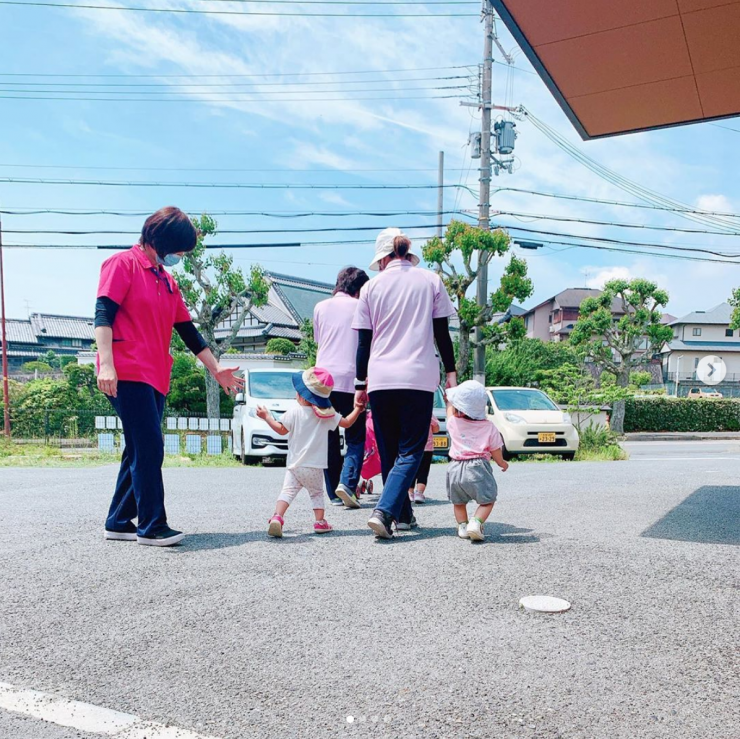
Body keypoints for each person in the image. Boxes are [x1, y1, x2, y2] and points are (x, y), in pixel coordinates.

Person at [95, 207, 245, 547]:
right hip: (125, 369)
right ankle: (151, 525)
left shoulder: (166, 279)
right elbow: (103, 314)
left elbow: (188, 331)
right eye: (178, 250)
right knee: (149, 445)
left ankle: (119, 520)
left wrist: (215, 367)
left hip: (155, 373)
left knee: (139, 445)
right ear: (159, 241)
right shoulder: (123, 264)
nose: (180, 256)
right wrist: (106, 364)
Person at [353, 227, 457, 539]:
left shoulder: (371, 288)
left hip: (381, 379)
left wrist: (360, 385)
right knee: (411, 450)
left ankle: (404, 515)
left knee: (389, 452)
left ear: (383, 259)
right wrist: (451, 374)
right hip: (418, 377)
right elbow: (442, 334)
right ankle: (384, 512)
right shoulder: (430, 281)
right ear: (408, 254)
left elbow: (363, 343)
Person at [258, 368, 364, 537]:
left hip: (295, 465)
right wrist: (358, 409)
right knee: (317, 493)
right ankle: (320, 522)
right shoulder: (326, 414)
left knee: (287, 492)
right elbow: (347, 423)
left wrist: (267, 417)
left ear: (302, 395)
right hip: (315, 466)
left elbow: (281, 430)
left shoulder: (293, 412)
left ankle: (277, 517)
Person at [313, 267, 370, 509]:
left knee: (328, 436)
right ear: (359, 290)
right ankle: (347, 484)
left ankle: (334, 494)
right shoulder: (362, 308)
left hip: (323, 381)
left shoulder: (320, 307)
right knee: (356, 436)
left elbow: (319, 340)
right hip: (353, 380)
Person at [445, 380, 508, 542]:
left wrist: (451, 400)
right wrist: (502, 463)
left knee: (458, 502)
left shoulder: (453, 423)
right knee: (488, 500)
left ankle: (462, 527)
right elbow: (495, 450)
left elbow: (449, 412)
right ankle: (476, 522)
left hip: (455, 468)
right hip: (478, 467)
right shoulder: (489, 427)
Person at [408, 415, 440, 505]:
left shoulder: (408, 410)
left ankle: (409, 493)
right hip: (427, 448)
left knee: (410, 470)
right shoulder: (428, 413)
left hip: (411, 447)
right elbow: (436, 429)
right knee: (423, 471)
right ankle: (419, 493)